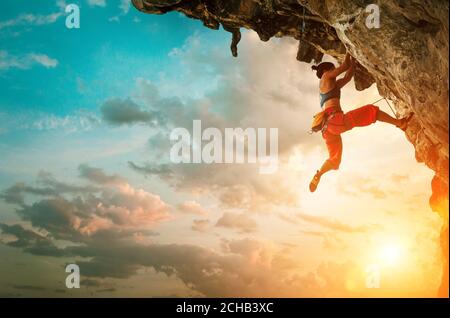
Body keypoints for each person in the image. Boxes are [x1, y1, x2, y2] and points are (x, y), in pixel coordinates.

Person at [309, 52, 413, 192]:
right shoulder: (326, 76)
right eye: (333, 69)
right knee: (371, 111)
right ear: (326, 70)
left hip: (327, 130)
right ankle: (400, 123)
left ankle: (319, 174)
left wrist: (353, 62)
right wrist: (348, 50)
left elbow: (348, 76)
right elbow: (344, 66)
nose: (334, 71)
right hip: (335, 121)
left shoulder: (327, 86)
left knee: (334, 159)